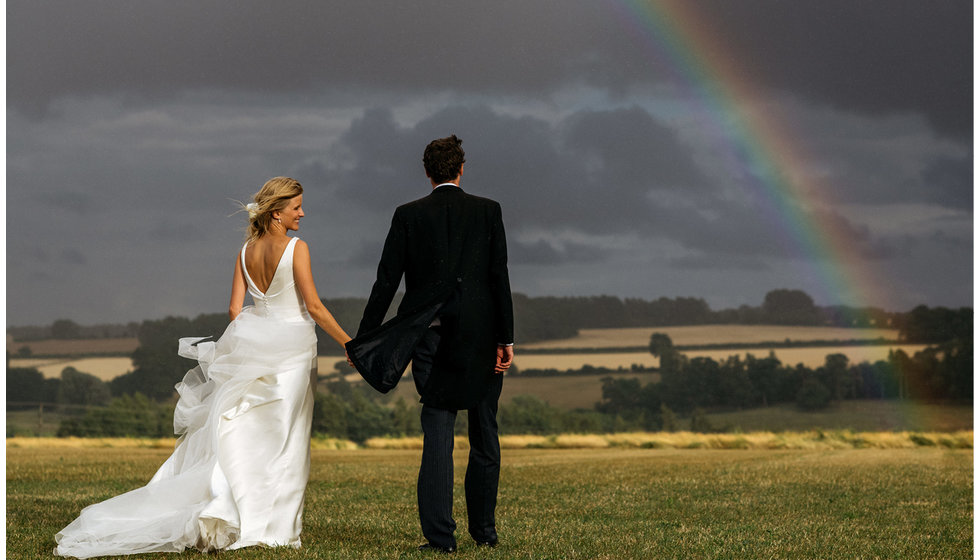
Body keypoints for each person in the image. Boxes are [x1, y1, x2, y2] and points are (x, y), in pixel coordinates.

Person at [55, 177, 352, 557]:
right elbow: (313, 307)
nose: (302, 213)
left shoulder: (246, 250)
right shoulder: (297, 248)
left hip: (254, 343)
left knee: (243, 430)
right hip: (292, 351)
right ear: (277, 212)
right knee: (285, 440)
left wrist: (252, 337)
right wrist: (348, 343)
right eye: (296, 207)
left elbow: (234, 310)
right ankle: (276, 528)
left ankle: (230, 511)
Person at [346, 135, 514, 553]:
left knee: (438, 433)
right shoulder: (488, 211)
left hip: (431, 341)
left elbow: (386, 282)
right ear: (461, 169)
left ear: (427, 172)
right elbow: (499, 279)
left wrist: (364, 340)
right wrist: (506, 339)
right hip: (482, 339)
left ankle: (441, 539)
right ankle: (485, 533)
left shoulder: (408, 215)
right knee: (484, 433)